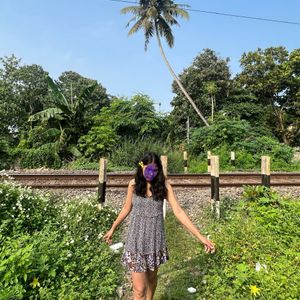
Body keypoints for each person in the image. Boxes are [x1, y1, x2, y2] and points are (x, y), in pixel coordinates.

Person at [103, 152, 215, 300]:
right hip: (135, 241)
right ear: (141, 167)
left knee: (151, 282)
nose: (151, 174)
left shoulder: (164, 186)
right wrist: (113, 227)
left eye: (155, 170)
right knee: (139, 290)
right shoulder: (133, 184)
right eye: (148, 169)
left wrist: (200, 237)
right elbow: (126, 208)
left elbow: (178, 211)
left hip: (155, 241)